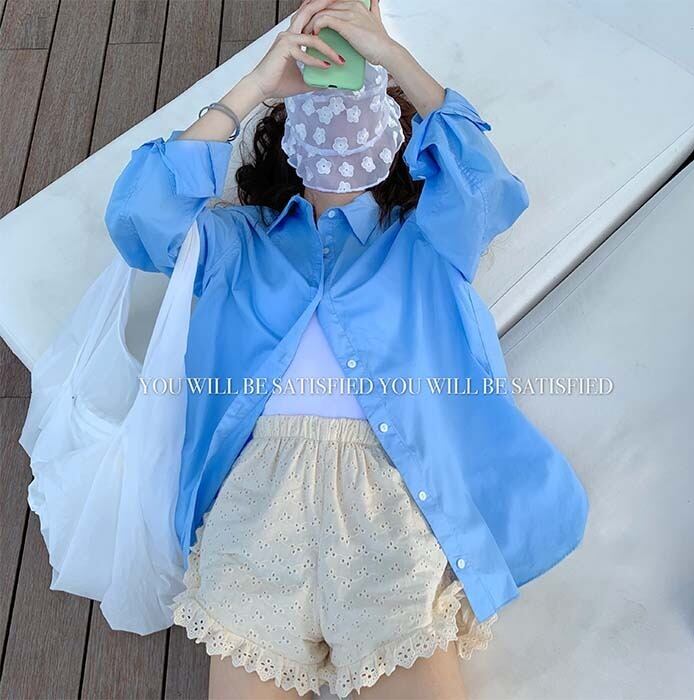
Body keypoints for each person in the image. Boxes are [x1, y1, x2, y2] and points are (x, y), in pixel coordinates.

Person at [104, 1, 588, 698]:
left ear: (393, 131)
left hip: (391, 496)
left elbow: (489, 189)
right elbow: (138, 217)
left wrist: (393, 57)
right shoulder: (238, 242)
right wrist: (254, 88)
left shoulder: (428, 240)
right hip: (257, 503)